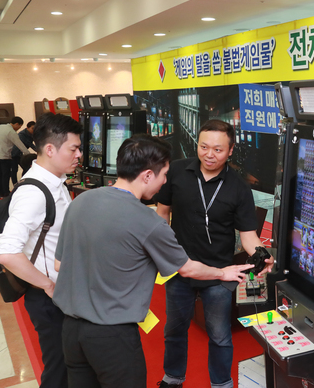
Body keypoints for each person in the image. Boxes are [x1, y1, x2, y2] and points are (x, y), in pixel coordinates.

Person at [52, 134, 253, 388]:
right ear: (147, 175)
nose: (166, 181)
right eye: (164, 174)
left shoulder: (80, 201)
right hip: (113, 335)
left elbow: (60, 265)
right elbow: (188, 268)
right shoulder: (148, 222)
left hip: (70, 331)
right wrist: (223, 273)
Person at [156, 119, 274, 388]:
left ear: (231, 150)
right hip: (180, 268)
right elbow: (162, 214)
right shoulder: (177, 171)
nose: (209, 154)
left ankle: (221, 384)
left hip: (221, 274)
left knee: (220, 335)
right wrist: (162, 254)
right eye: (204, 147)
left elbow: (247, 235)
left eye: (218, 150)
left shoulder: (239, 188)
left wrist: (262, 253)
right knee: (174, 331)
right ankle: (172, 378)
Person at [0, 112, 83, 388]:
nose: (79, 154)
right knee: (58, 368)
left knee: (70, 363)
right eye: (73, 148)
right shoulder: (33, 193)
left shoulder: (55, 183)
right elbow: (7, 251)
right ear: (50, 149)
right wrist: (47, 285)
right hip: (48, 299)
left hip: (62, 293)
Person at [0, 117, 31, 197]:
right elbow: (20, 145)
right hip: (5, 157)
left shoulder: (0, 127)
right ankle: (6, 193)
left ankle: (1, 193)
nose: (19, 128)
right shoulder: (11, 132)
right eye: (19, 126)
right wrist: (29, 155)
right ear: (16, 124)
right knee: (6, 175)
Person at [11, 120, 37, 184]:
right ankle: (16, 183)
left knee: (26, 167)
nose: (34, 130)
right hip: (14, 154)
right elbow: (30, 144)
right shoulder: (22, 135)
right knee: (14, 170)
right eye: (32, 128)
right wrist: (39, 151)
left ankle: (24, 181)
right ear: (27, 128)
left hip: (20, 154)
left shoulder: (31, 134)